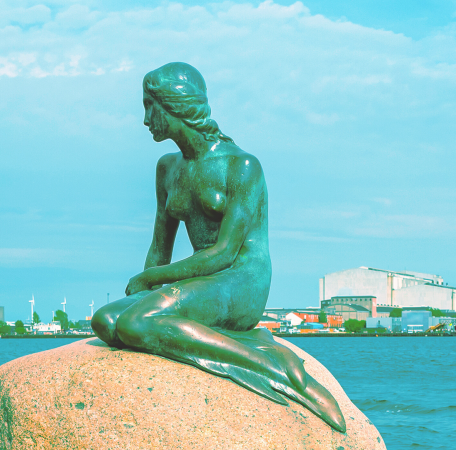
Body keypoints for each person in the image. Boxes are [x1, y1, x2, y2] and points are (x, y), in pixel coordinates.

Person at [91, 62, 345, 432]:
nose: (145, 119)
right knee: (106, 321)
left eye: (150, 107)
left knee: (136, 322)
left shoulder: (241, 166)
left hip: (240, 281)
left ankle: (273, 366)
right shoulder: (167, 169)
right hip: (202, 280)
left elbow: (225, 252)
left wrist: (151, 280)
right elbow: (159, 247)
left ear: (176, 106)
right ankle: (235, 342)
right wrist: (148, 288)